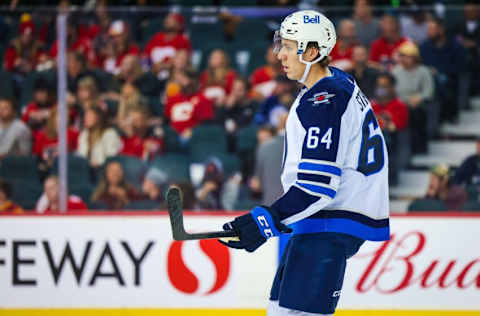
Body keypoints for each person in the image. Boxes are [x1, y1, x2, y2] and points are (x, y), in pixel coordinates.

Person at [219, 10, 390, 316]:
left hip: (330, 223)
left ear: (312, 51)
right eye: (279, 44)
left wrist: (265, 221)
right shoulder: (336, 82)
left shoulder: (323, 100)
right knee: (279, 310)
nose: (279, 54)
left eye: (287, 46)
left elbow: (317, 187)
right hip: (322, 222)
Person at [392, 41, 434, 153]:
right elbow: (392, 91)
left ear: (415, 58)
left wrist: (418, 98)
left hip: (416, 103)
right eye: (402, 56)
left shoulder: (424, 71)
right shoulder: (395, 71)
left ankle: (419, 147)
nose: (404, 59)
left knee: (416, 112)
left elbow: (428, 91)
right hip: (399, 102)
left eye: (407, 57)